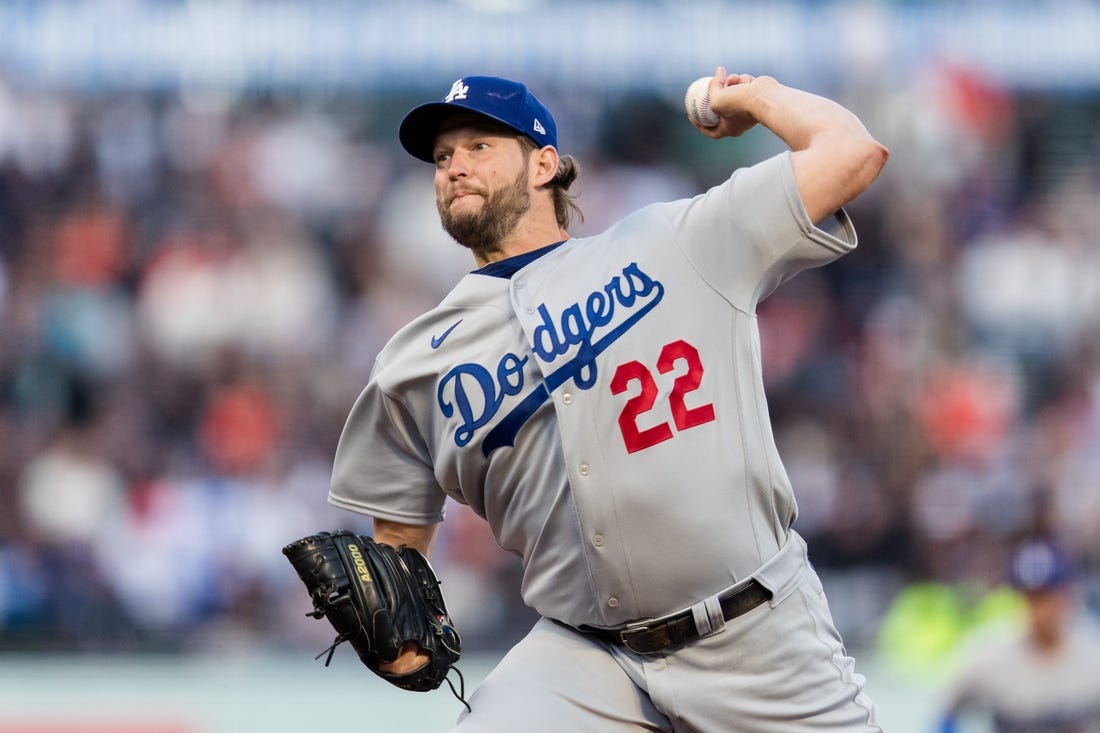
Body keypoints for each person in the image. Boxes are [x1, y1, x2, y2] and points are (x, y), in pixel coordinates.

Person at [327, 69, 888, 731]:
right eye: (443, 156)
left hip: (755, 632)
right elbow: (397, 547)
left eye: (478, 146)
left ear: (543, 165)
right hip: (585, 658)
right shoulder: (412, 362)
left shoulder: (674, 242)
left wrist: (753, 97)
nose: (453, 166)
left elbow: (852, 152)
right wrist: (400, 622)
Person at [938, 539, 1100, 733]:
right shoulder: (988, 652)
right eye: (1031, 597)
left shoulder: (1094, 655)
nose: (1039, 610)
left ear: (1068, 593)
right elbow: (945, 712)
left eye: (1046, 595)